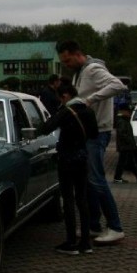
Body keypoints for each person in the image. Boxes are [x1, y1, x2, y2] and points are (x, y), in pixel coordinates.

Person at [57, 39, 128, 245]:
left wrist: (90, 100)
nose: (66, 65)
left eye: (68, 60)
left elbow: (117, 85)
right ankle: (94, 225)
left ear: (77, 54)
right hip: (87, 133)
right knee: (88, 181)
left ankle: (115, 227)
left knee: (96, 180)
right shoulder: (80, 73)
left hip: (97, 133)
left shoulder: (93, 69)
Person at [36, 83, 98, 255]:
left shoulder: (65, 112)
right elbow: (94, 134)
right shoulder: (88, 111)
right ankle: (85, 243)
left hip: (66, 159)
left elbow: (46, 128)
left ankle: (71, 242)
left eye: (60, 97)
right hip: (82, 157)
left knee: (68, 199)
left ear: (65, 96)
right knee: (82, 199)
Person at [113, 104, 137, 183]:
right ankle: (118, 178)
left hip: (126, 145)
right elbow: (122, 133)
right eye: (128, 111)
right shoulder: (122, 120)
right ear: (123, 112)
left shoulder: (124, 119)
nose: (130, 113)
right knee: (123, 162)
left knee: (130, 162)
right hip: (125, 145)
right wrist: (129, 141)